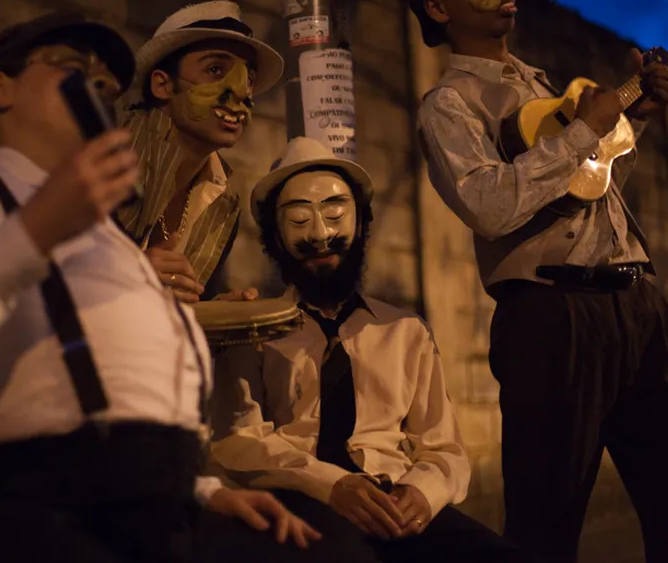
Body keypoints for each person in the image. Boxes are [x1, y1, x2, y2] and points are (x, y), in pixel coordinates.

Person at [0, 12, 321, 563]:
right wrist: (32, 232)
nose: (95, 87)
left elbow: (115, 387)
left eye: (106, 85)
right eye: (72, 67)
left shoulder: (104, 236)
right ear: (1, 87)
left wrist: (205, 492)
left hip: (139, 509)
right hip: (10, 507)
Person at [400, 0, 668, 563]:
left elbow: (589, 185)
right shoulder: (450, 103)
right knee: (546, 528)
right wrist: (583, 129)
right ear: (437, 8)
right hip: (552, 317)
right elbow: (490, 206)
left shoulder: (544, 83)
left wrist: (633, 121)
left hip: (638, 305)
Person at [210, 137, 527, 562]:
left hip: (395, 499)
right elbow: (238, 440)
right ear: (275, 237)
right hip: (305, 500)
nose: (320, 236)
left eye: (336, 215)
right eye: (299, 220)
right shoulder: (254, 331)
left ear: (360, 223)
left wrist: (424, 491)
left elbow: (444, 446)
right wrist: (329, 484)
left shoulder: (406, 331)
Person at [116, 0, 284, 303]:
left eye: (249, 79)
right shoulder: (110, 156)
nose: (242, 93)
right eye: (215, 69)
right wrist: (130, 274)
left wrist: (213, 315)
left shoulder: (224, 202)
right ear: (162, 85)